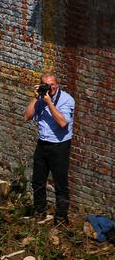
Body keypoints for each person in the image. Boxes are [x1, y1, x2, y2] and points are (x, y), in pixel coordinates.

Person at [24, 73, 75, 222]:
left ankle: (61, 218)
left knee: (60, 183)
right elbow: (26, 117)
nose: (50, 88)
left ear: (57, 85)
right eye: (46, 85)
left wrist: (50, 104)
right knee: (38, 181)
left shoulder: (67, 100)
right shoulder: (40, 98)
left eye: (52, 84)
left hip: (59, 146)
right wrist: (35, 97)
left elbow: (63, 123)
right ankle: (40, 213)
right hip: (42, 143)